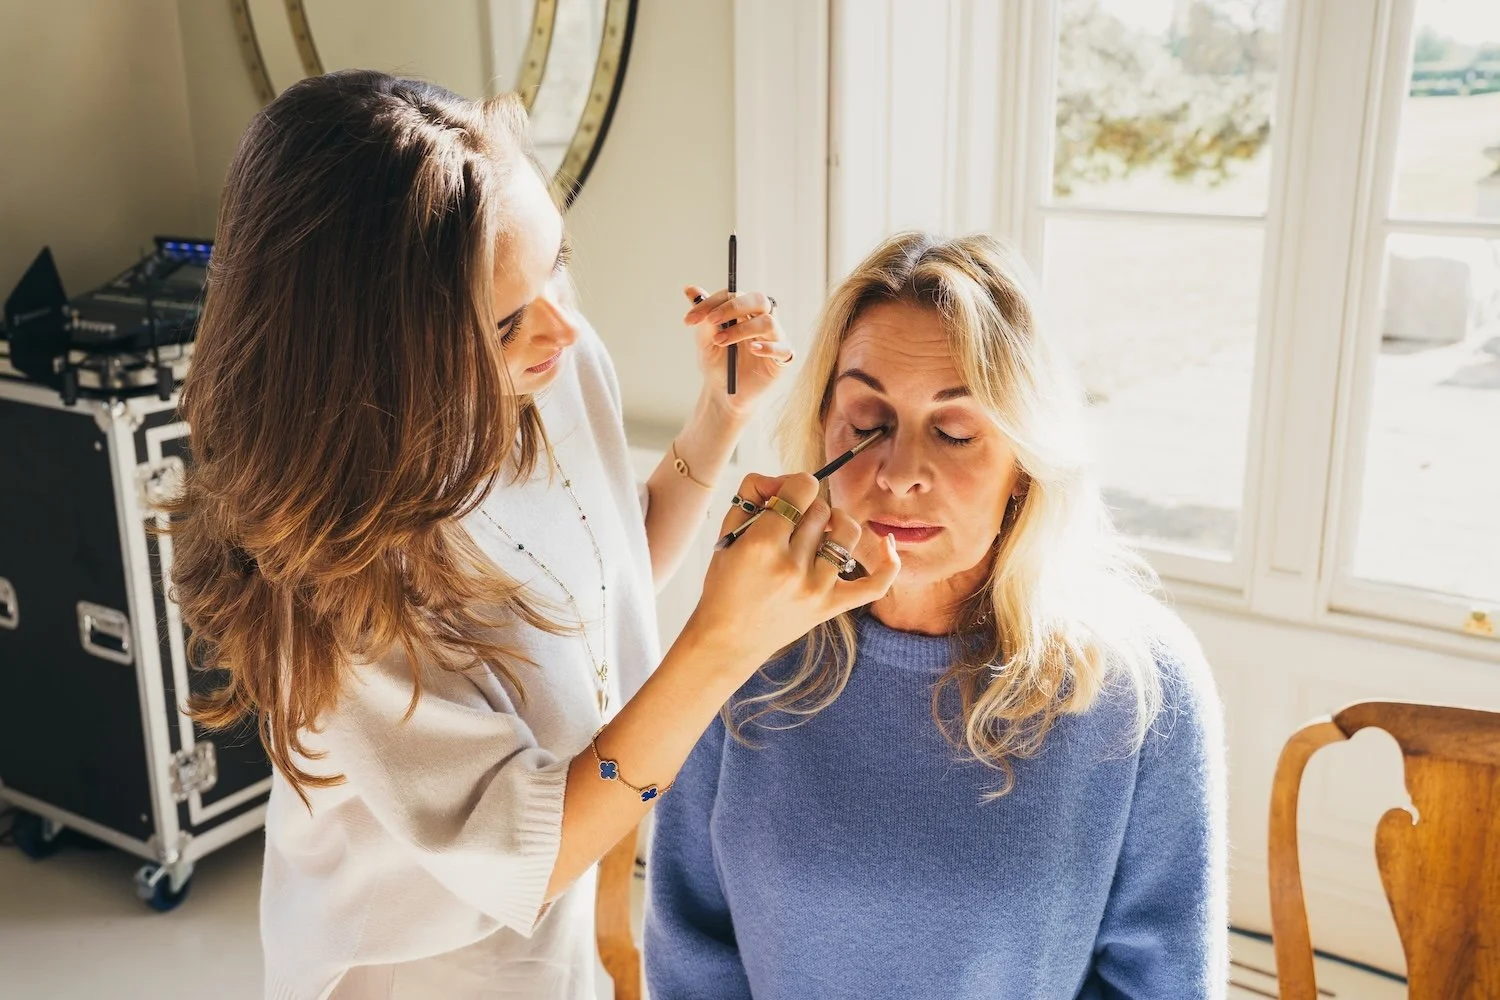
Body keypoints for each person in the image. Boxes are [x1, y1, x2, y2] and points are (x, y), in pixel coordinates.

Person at [165, 70, 899, 999]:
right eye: (505, 319)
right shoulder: (330, 574)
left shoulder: (559, 363)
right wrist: (724, 642)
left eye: (553, 263)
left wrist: (720, 424)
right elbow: (531, 847)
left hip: (561, 921)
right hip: (419, 961)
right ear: (378, 351)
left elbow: (601, 570)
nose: (561, 326)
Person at [645, 232, 1228, 1000]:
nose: (900, 474)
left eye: (955, 432)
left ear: (1024, 466)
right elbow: (692, 952)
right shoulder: (744, 641)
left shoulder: (1139, 682)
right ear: (823, 426)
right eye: (866, 421)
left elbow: (1164, 983)